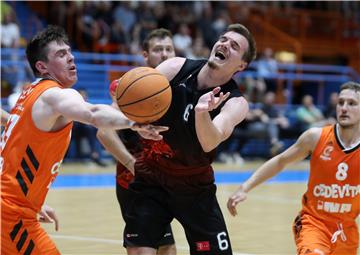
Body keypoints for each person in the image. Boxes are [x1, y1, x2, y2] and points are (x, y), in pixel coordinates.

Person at [0, 25, 167, 255]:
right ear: (42, 66)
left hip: (14, 209)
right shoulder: (55, 94)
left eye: (69, 52)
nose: (70, 58)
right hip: (11, 214)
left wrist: (34, 203)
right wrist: (134, 123)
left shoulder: (28, 95)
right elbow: (93, 113)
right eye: (60, 54)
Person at [124, 23, 256, 255]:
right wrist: (137, 123)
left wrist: (201, 112)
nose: (225, 44)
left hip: (194, 186)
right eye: (223, 39)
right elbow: (132, 98)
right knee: (140, 251)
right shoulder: (176, 67)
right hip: (152, 176)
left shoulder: (236, 103)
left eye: (234, 46)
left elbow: (209, 141)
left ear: (241, 65)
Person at [227, 81, 360, 255]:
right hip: (313, 224)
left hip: (346, 230)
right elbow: (281, 161)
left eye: (352, 103)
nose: (344, 108)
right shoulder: (316, 137)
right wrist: (246, 187)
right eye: (341, 102)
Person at [97, 28, 177, 255]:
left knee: (168, 249)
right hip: (136, 184)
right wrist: (133, 165)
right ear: (145, 55)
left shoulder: (179, 87)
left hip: (168, 182)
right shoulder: (130, 87)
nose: (164, 54)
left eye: (169, 49)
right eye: (158, 49)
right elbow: (104, 132)